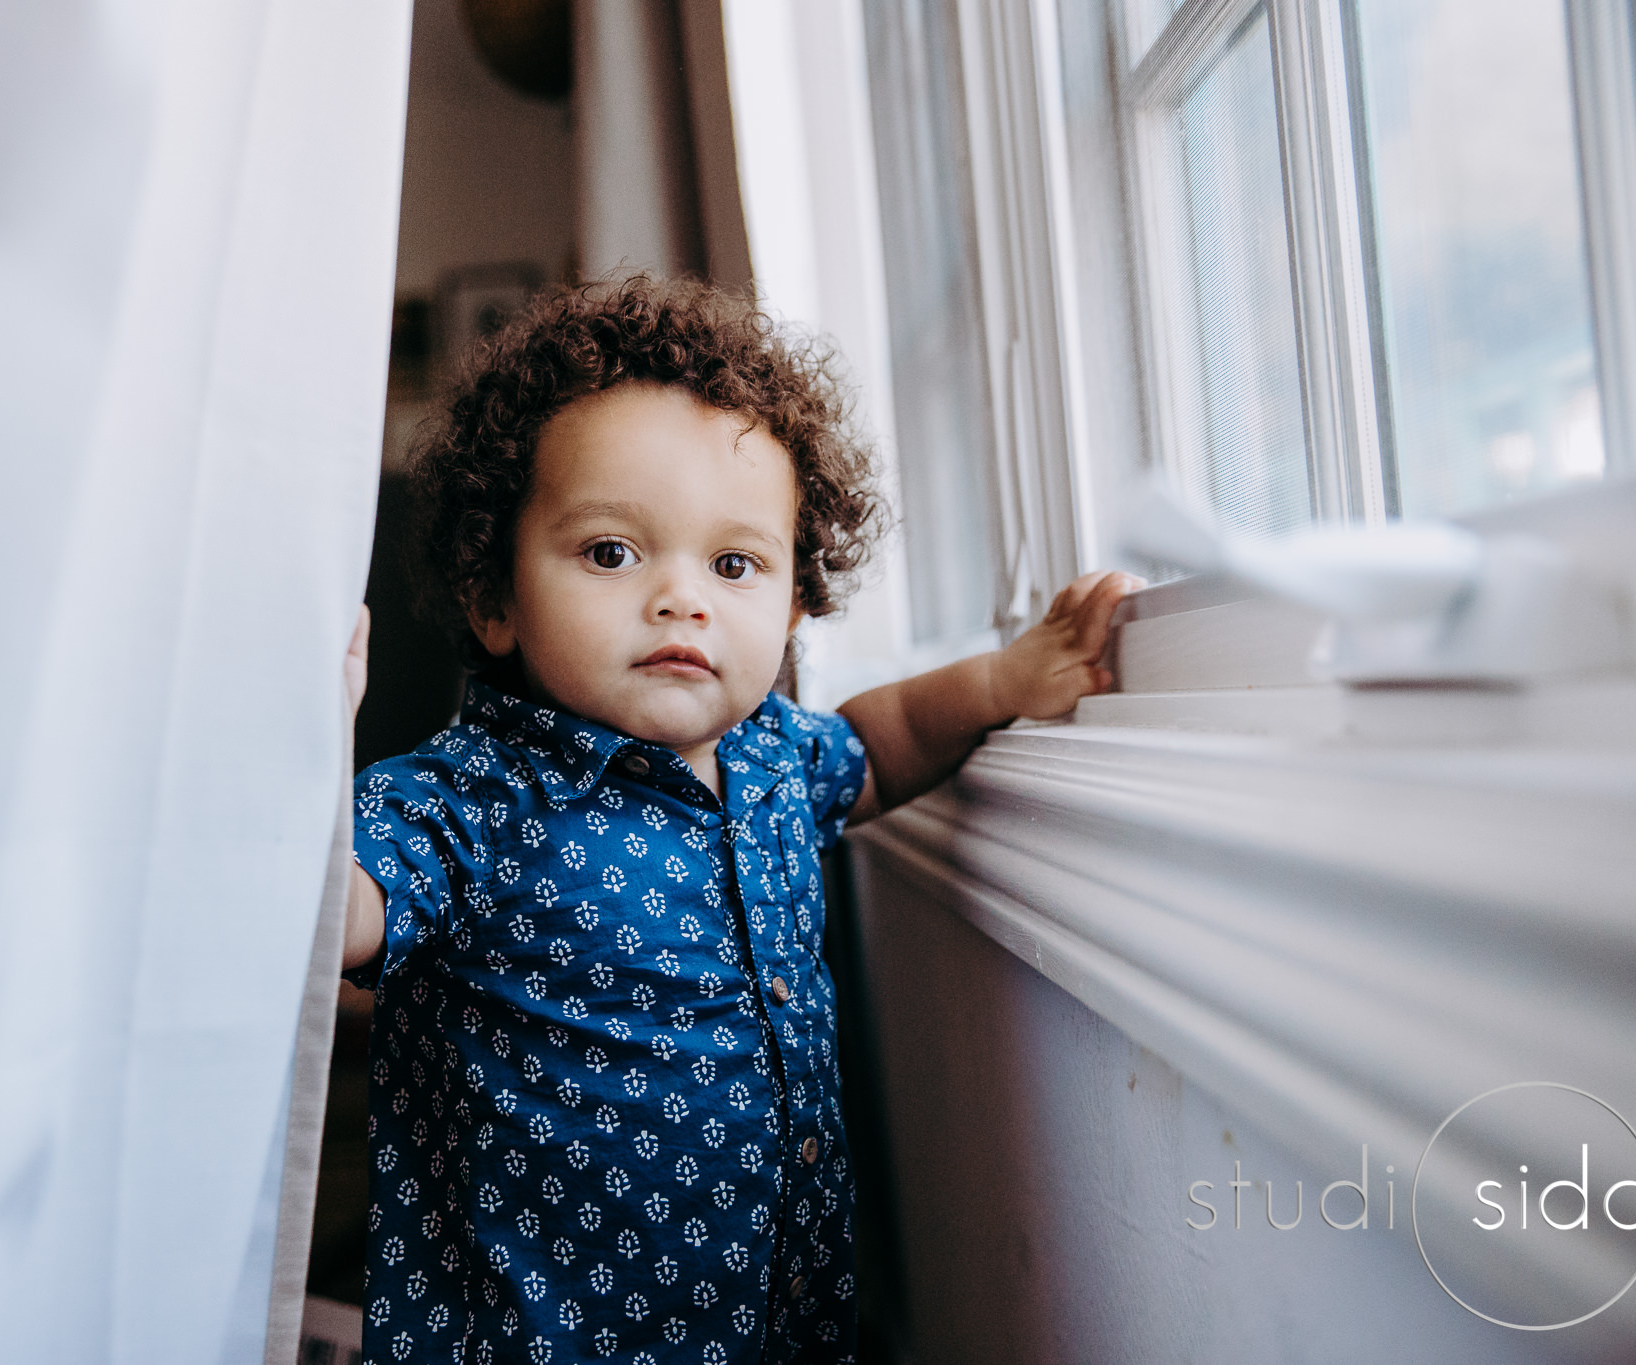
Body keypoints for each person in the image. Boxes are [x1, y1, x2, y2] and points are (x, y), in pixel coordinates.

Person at [339, 277, 1136, 1365]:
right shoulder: (464, 798)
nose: (682, 599)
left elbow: (884, 737)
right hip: (550, 1333)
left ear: (795, 601)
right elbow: (336, 915)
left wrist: (1001, 679)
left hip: (778, 1310)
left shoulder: (773, 756)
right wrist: (295, 768)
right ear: (494, 596)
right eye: (611, 552)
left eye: (733, 564)